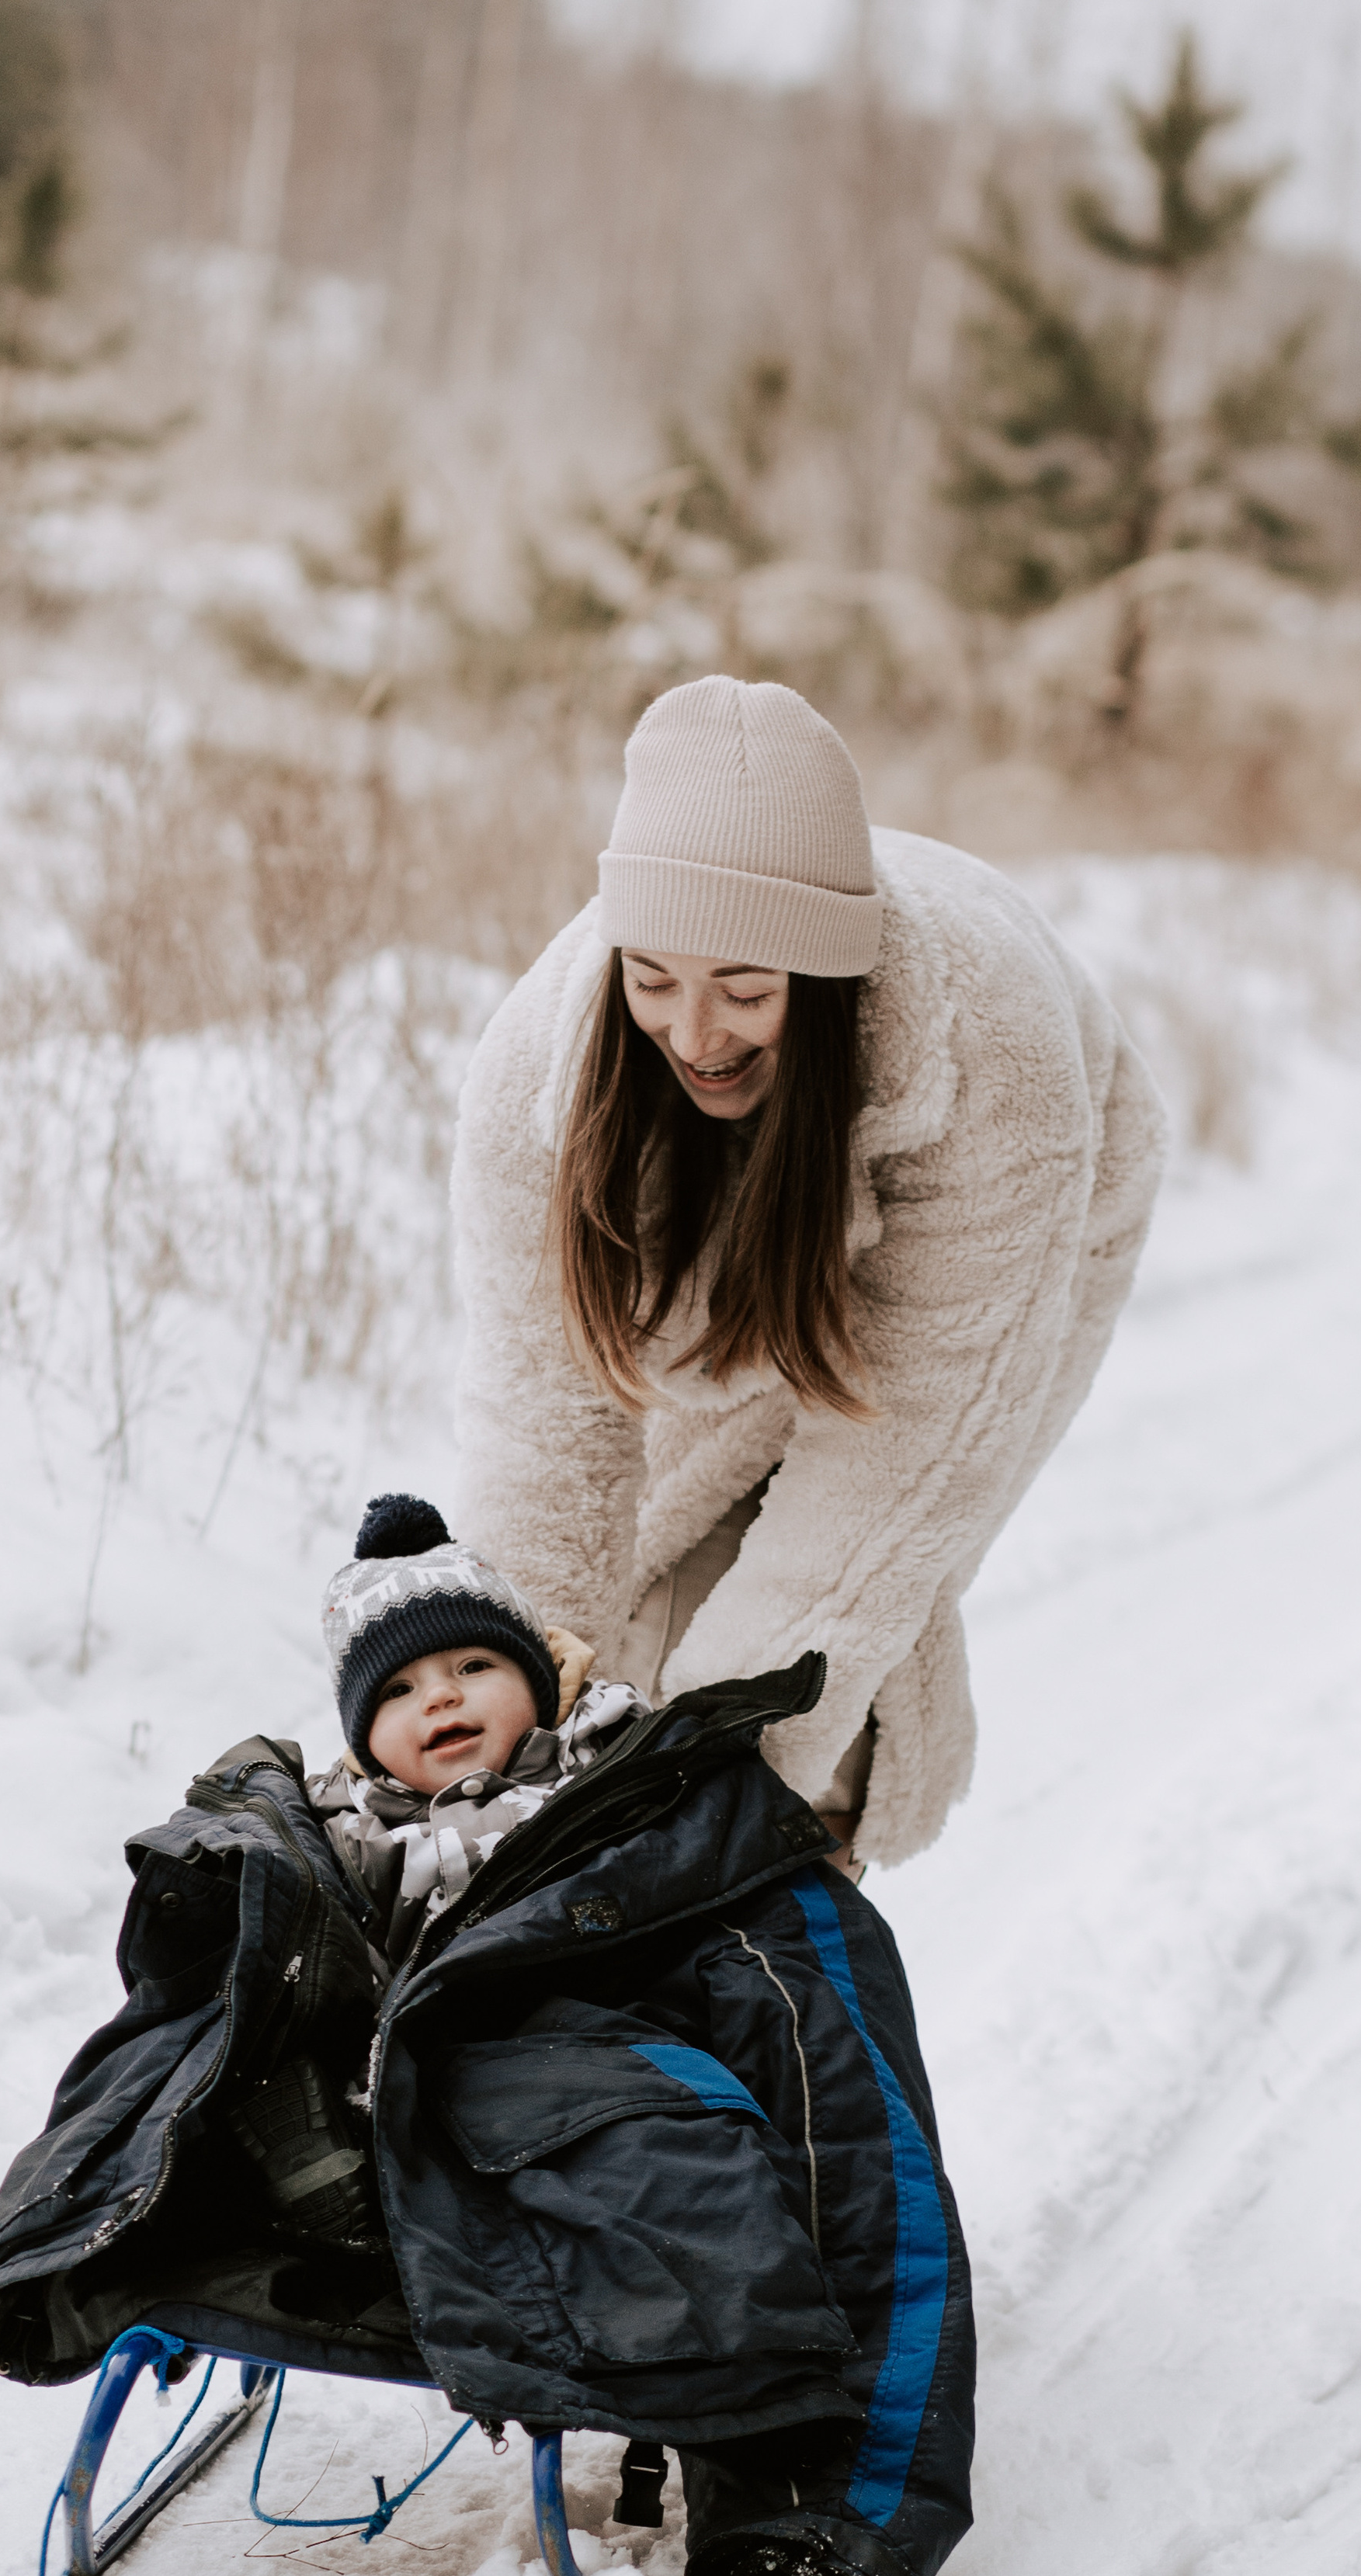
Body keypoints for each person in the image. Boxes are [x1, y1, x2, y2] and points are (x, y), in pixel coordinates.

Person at [0, 1493, 977, 2576]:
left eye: (472, 1664)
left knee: (693, 2136)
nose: (436, 1697)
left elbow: (850, 2137)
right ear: (360, 1735)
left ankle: (796, 2481)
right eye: (396, 1690)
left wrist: (842, 2518)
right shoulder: (329, 1854)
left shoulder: (661, 1830)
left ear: (542, 1683)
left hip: (587, 2176)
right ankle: (116, 2248)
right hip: (361, 2171)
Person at [452, 674, 1168, 1871]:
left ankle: (797, 1911)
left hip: (1045, 1200)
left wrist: (727, 1794)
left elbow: (904, 1466)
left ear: (825, 982)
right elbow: (548, 1431)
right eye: (655, 982)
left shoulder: (996, 1064)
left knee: (833, 1636)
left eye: (746, 990)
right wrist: (506, 1748)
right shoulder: (542, 1075)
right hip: (734, 1193)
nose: (693, 1032)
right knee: (630, 1617)